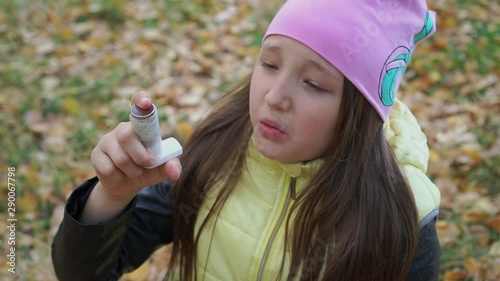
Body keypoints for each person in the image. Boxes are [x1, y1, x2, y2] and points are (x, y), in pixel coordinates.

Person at [51, 0, 441, 280]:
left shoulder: (402, 219)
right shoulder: (218, 150)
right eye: (270, 64)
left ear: (361, 112)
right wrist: (113, 196)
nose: (274, 96)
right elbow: (82, 272)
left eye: (314, 83)